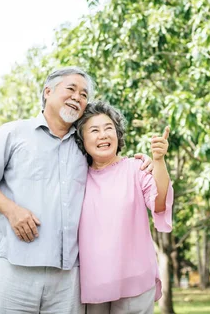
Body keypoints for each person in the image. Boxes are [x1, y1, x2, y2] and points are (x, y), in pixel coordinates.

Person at [0, 67, 152, 314]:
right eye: (71, 89)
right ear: (48, 92)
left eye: (84, 94)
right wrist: (11, 210)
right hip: (15, 267)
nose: (78, 97)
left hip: (68, 278)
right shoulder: (14, 133)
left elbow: (111, 168)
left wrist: (148, 164)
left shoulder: (85, 144)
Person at [75, 101, 174, 314]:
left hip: (135, 281)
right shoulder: (76, 177)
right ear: (82, 139)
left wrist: (158, 161)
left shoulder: (136, 168)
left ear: (118, 134)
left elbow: (159, 203)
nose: (103, 135)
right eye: (94, 130)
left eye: (108, 128)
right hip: (92, 282)